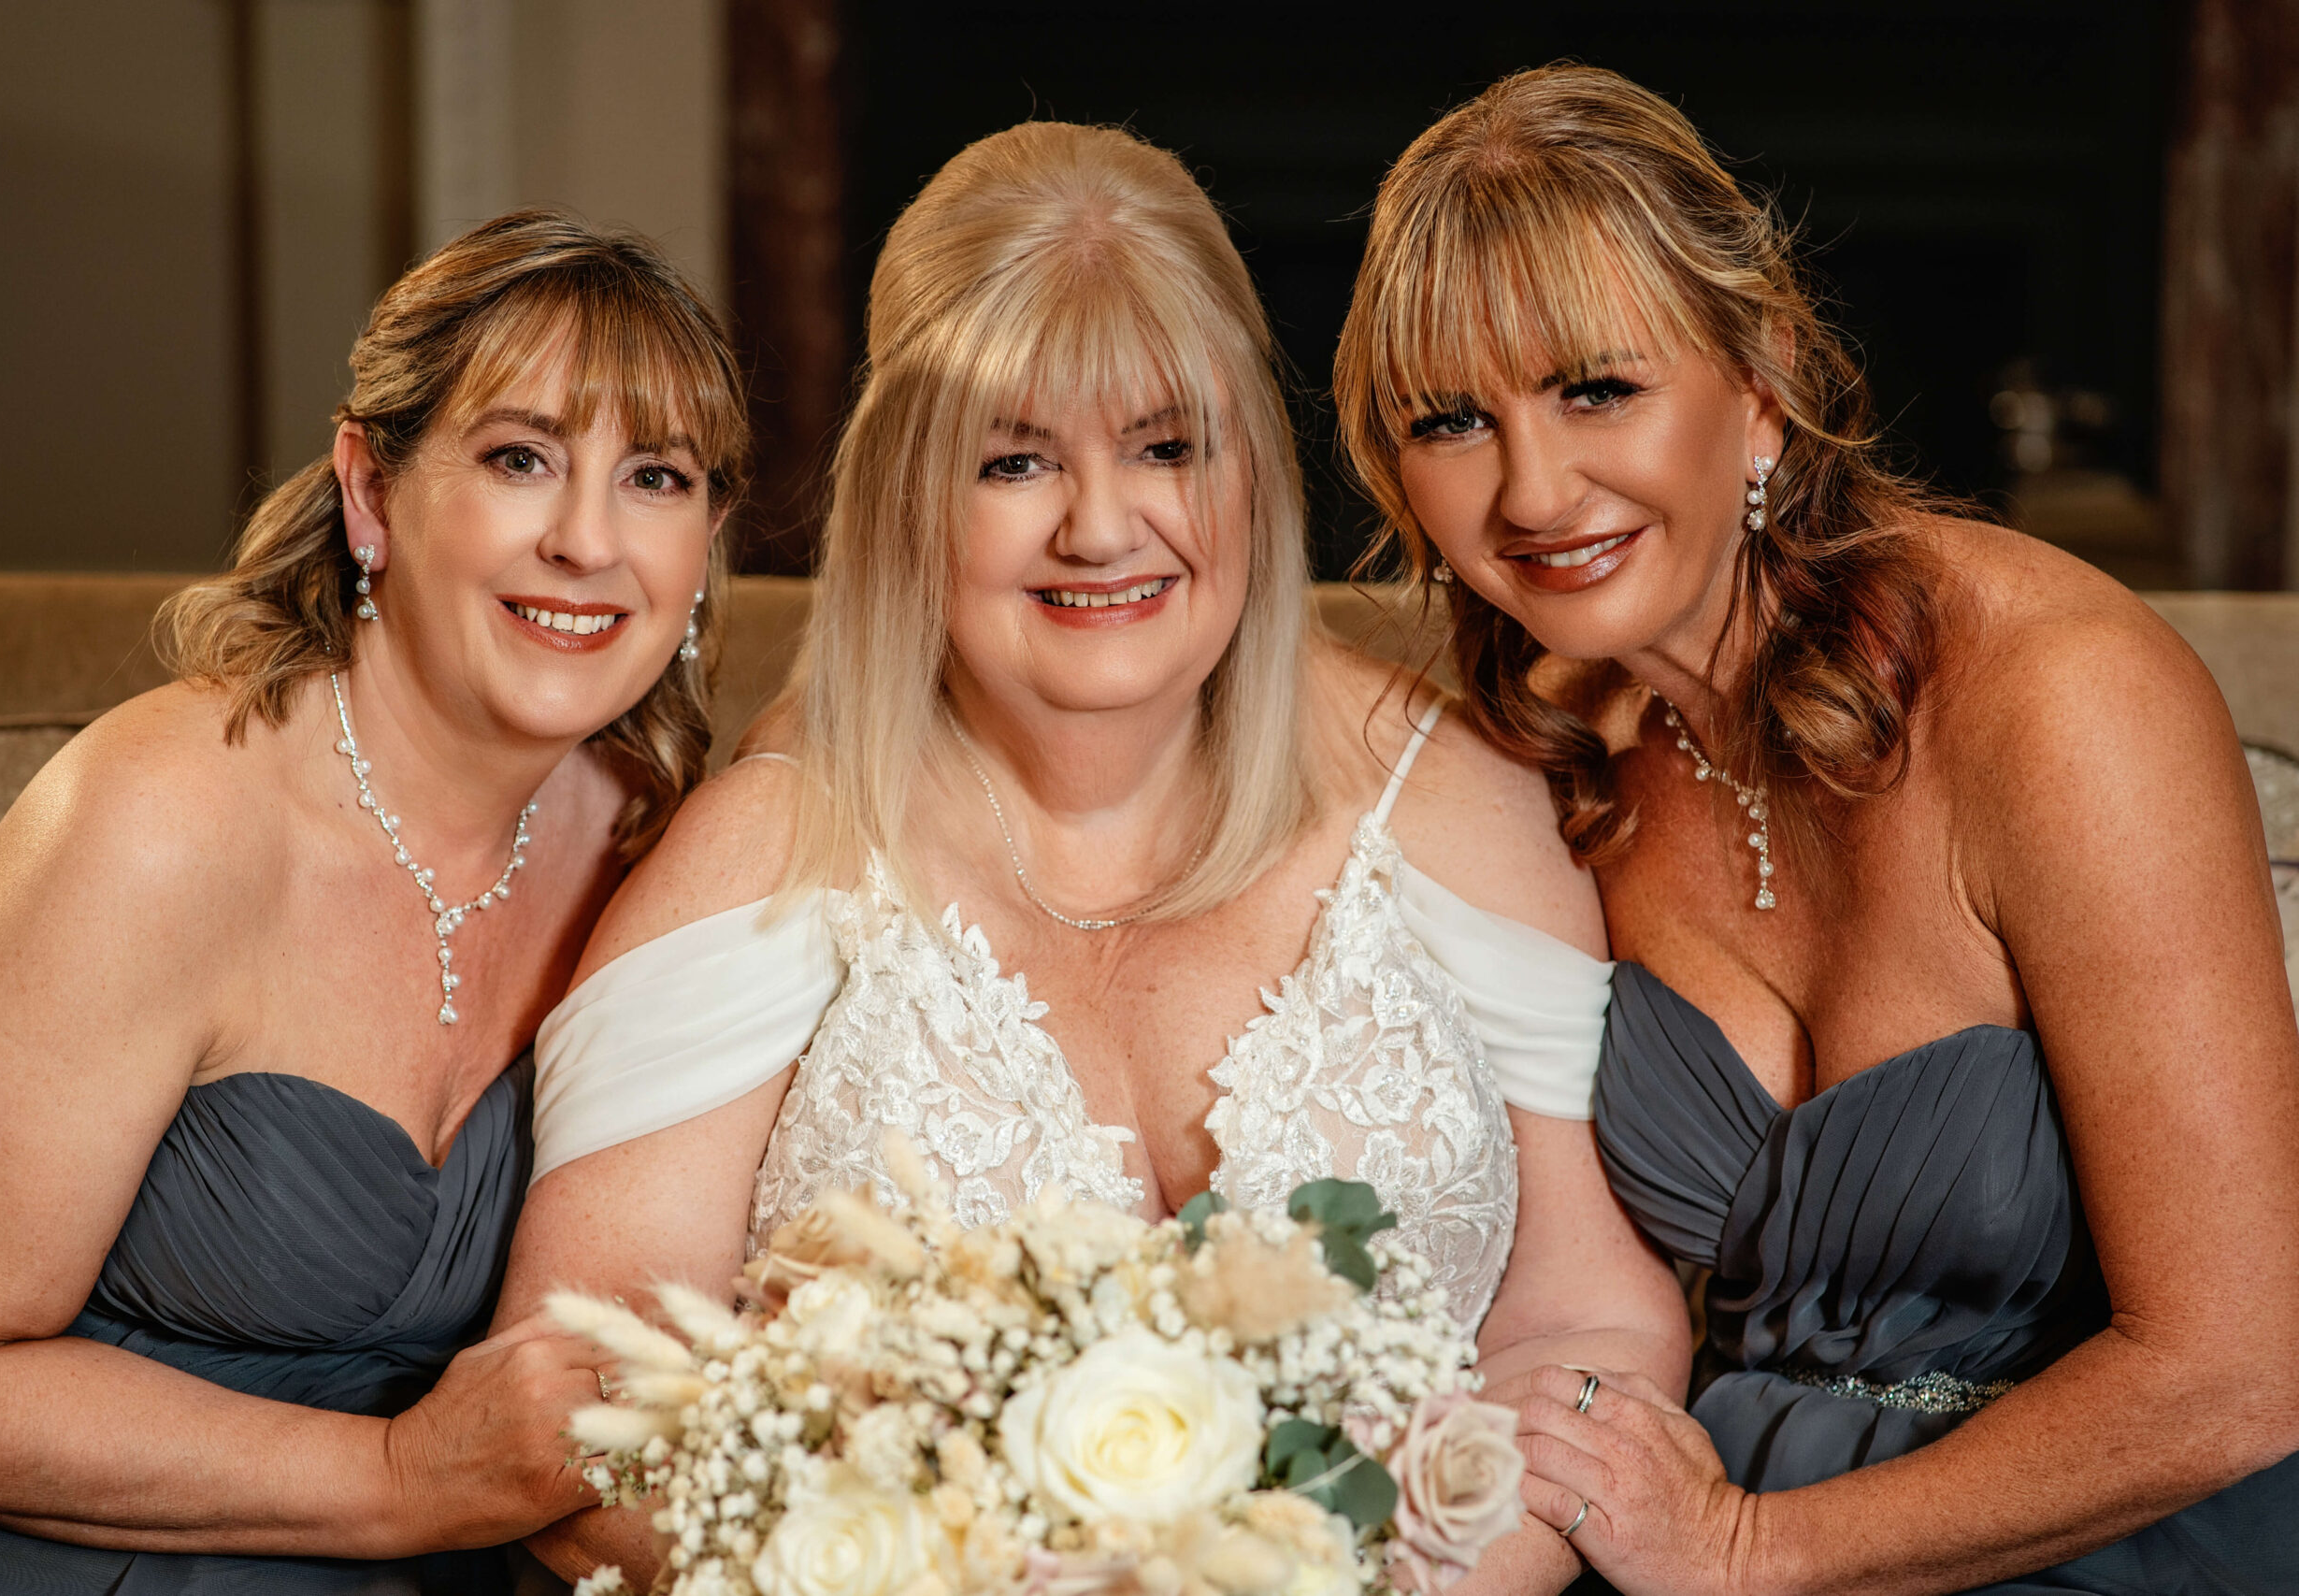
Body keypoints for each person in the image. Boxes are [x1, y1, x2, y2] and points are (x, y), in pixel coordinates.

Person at [499, 121, 1692, 1592]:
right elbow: (572, 1408)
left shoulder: (1453, 803)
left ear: (1249, 463)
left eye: (1166, 446)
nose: (1103, 527)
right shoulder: (771, 851)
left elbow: (1588, 1324)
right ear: (907, 494)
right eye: (1014, 460)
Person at [1333, 64, 2299, 1596]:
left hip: (2111, 1542)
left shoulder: (2062, 701)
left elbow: (2238, 1374)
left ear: (1763, 373)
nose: (1531, 487)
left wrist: (1752, 1547)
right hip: (1674, 1541)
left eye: (1597, 389)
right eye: (1453, 421)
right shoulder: (1542, 769)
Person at [0, 210, 748, 1592]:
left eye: (653, 478)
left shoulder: (662, 841)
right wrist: (400, 1481)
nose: (588, 540)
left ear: (708, 542)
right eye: (521, 457)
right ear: (372, 489)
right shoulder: (162, 817)